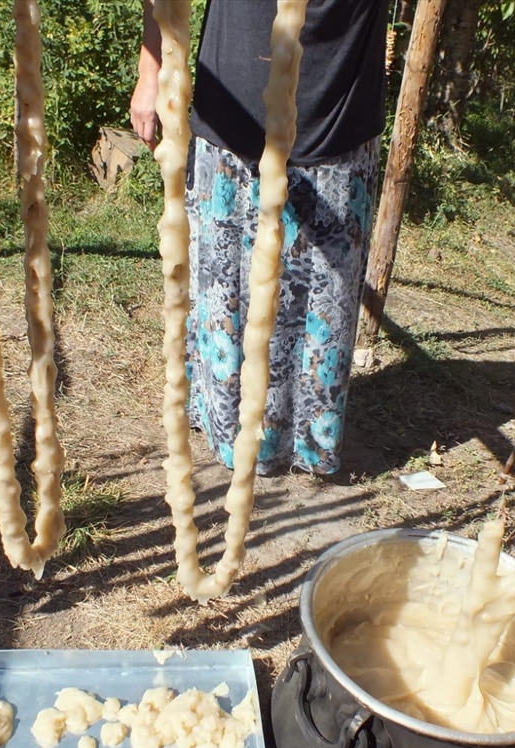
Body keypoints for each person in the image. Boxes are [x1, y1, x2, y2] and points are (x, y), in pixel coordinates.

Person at [131, 0, 387, 475]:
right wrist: (153, 70)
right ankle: (228, 429)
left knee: (319, 302)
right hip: (234, 112)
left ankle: (305, 445)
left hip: (335, 115)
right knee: (230, 293)